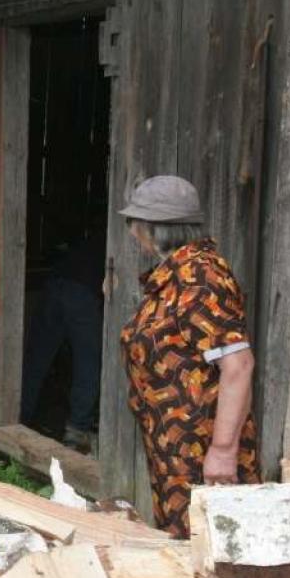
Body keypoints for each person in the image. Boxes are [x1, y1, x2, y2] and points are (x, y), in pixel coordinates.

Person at [119, 175, 260, 538]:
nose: (133, 233)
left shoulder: (201, 279)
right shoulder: (177, 275)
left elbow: (239, 365)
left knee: (211, 547)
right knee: (187, 546)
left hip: (201, 453)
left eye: (135, 224)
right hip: (177, 450)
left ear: (154, 230)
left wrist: (224, 451)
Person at [20, 231, 105, 454]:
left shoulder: (87, 242)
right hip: (83, 293)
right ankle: (77, 431)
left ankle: (19, 417)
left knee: (37, 358)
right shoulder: (113, 240)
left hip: (55, 283)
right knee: (87, 364)